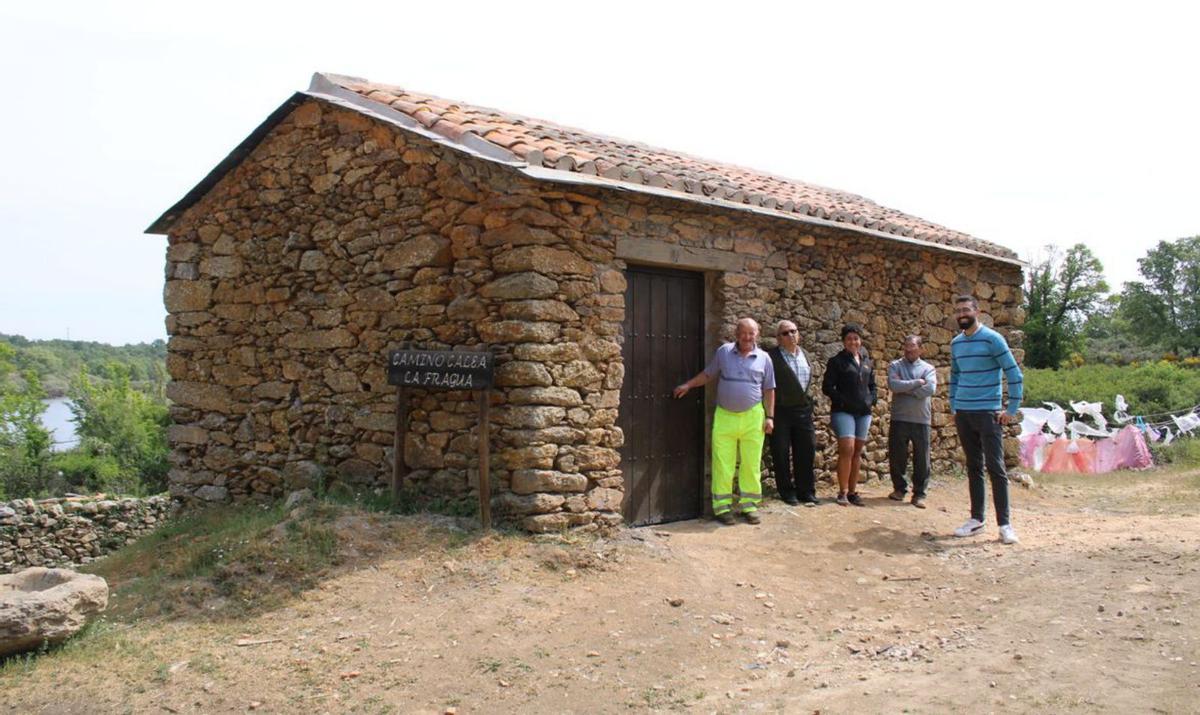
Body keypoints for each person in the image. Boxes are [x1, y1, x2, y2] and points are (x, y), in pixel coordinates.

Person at [674, 318, 776, 525]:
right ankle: (722, 508)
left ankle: (749, 506)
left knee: (751, 463)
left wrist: (770, 417)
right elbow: (708, 374)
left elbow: (769, 389)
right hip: (725, 416)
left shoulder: (765, 358)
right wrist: (689, 385)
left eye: (751, 333)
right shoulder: (724, 352)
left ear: (758, 334)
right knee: (723, 464)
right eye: (744, 333)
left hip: (753, 417)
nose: (747, 337)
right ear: (736, 333)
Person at [948, 295, 1024, 545]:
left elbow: (1013, 373)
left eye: (966, 309)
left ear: (976, 311)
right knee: (973, 466)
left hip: (989, 412)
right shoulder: (957, 343)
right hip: (964, 412)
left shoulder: (993, 339)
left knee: (996, 468)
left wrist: (1011, 408)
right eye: (958, 310)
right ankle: (976, 519)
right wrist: (953, 405)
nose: (962, 314)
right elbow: (956, 376)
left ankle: (1005, 525)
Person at [821, 324, 877, 506]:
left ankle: (853, 492)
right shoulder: (837, 362)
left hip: (863, 413)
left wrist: (872, 399)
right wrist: (843, 400)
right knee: (847, 448)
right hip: (843, 411)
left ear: (860, 340)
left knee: (857, 451)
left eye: (856, 338)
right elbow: (827, 387)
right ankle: (842, 492)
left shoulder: (867, 361)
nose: (853, 342)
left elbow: (872, 386)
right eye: (849, 339)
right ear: (844, 341)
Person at [766, 320, 818, 507]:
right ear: (778, 338)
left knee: (806, 450)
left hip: (803, 411)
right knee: (780, 452)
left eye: (794, 331)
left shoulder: (805, 354)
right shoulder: (770, 357)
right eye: (786, 333)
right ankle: (787, 492)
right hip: (781, 411)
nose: (791, 335)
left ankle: (806, 491)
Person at [887, 335, 937, 508]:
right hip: (899, 417)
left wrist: (906, 389)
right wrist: (917, 383)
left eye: (913, 347)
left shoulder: (928, 368)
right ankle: (899, 489)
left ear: (921, 349)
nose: (909, 350)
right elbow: (894, 385)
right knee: (897, 456)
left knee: (922, 458)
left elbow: (930, 388)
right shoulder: (895, 365)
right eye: (906, 346)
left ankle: (919, 494)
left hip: (921, 419)